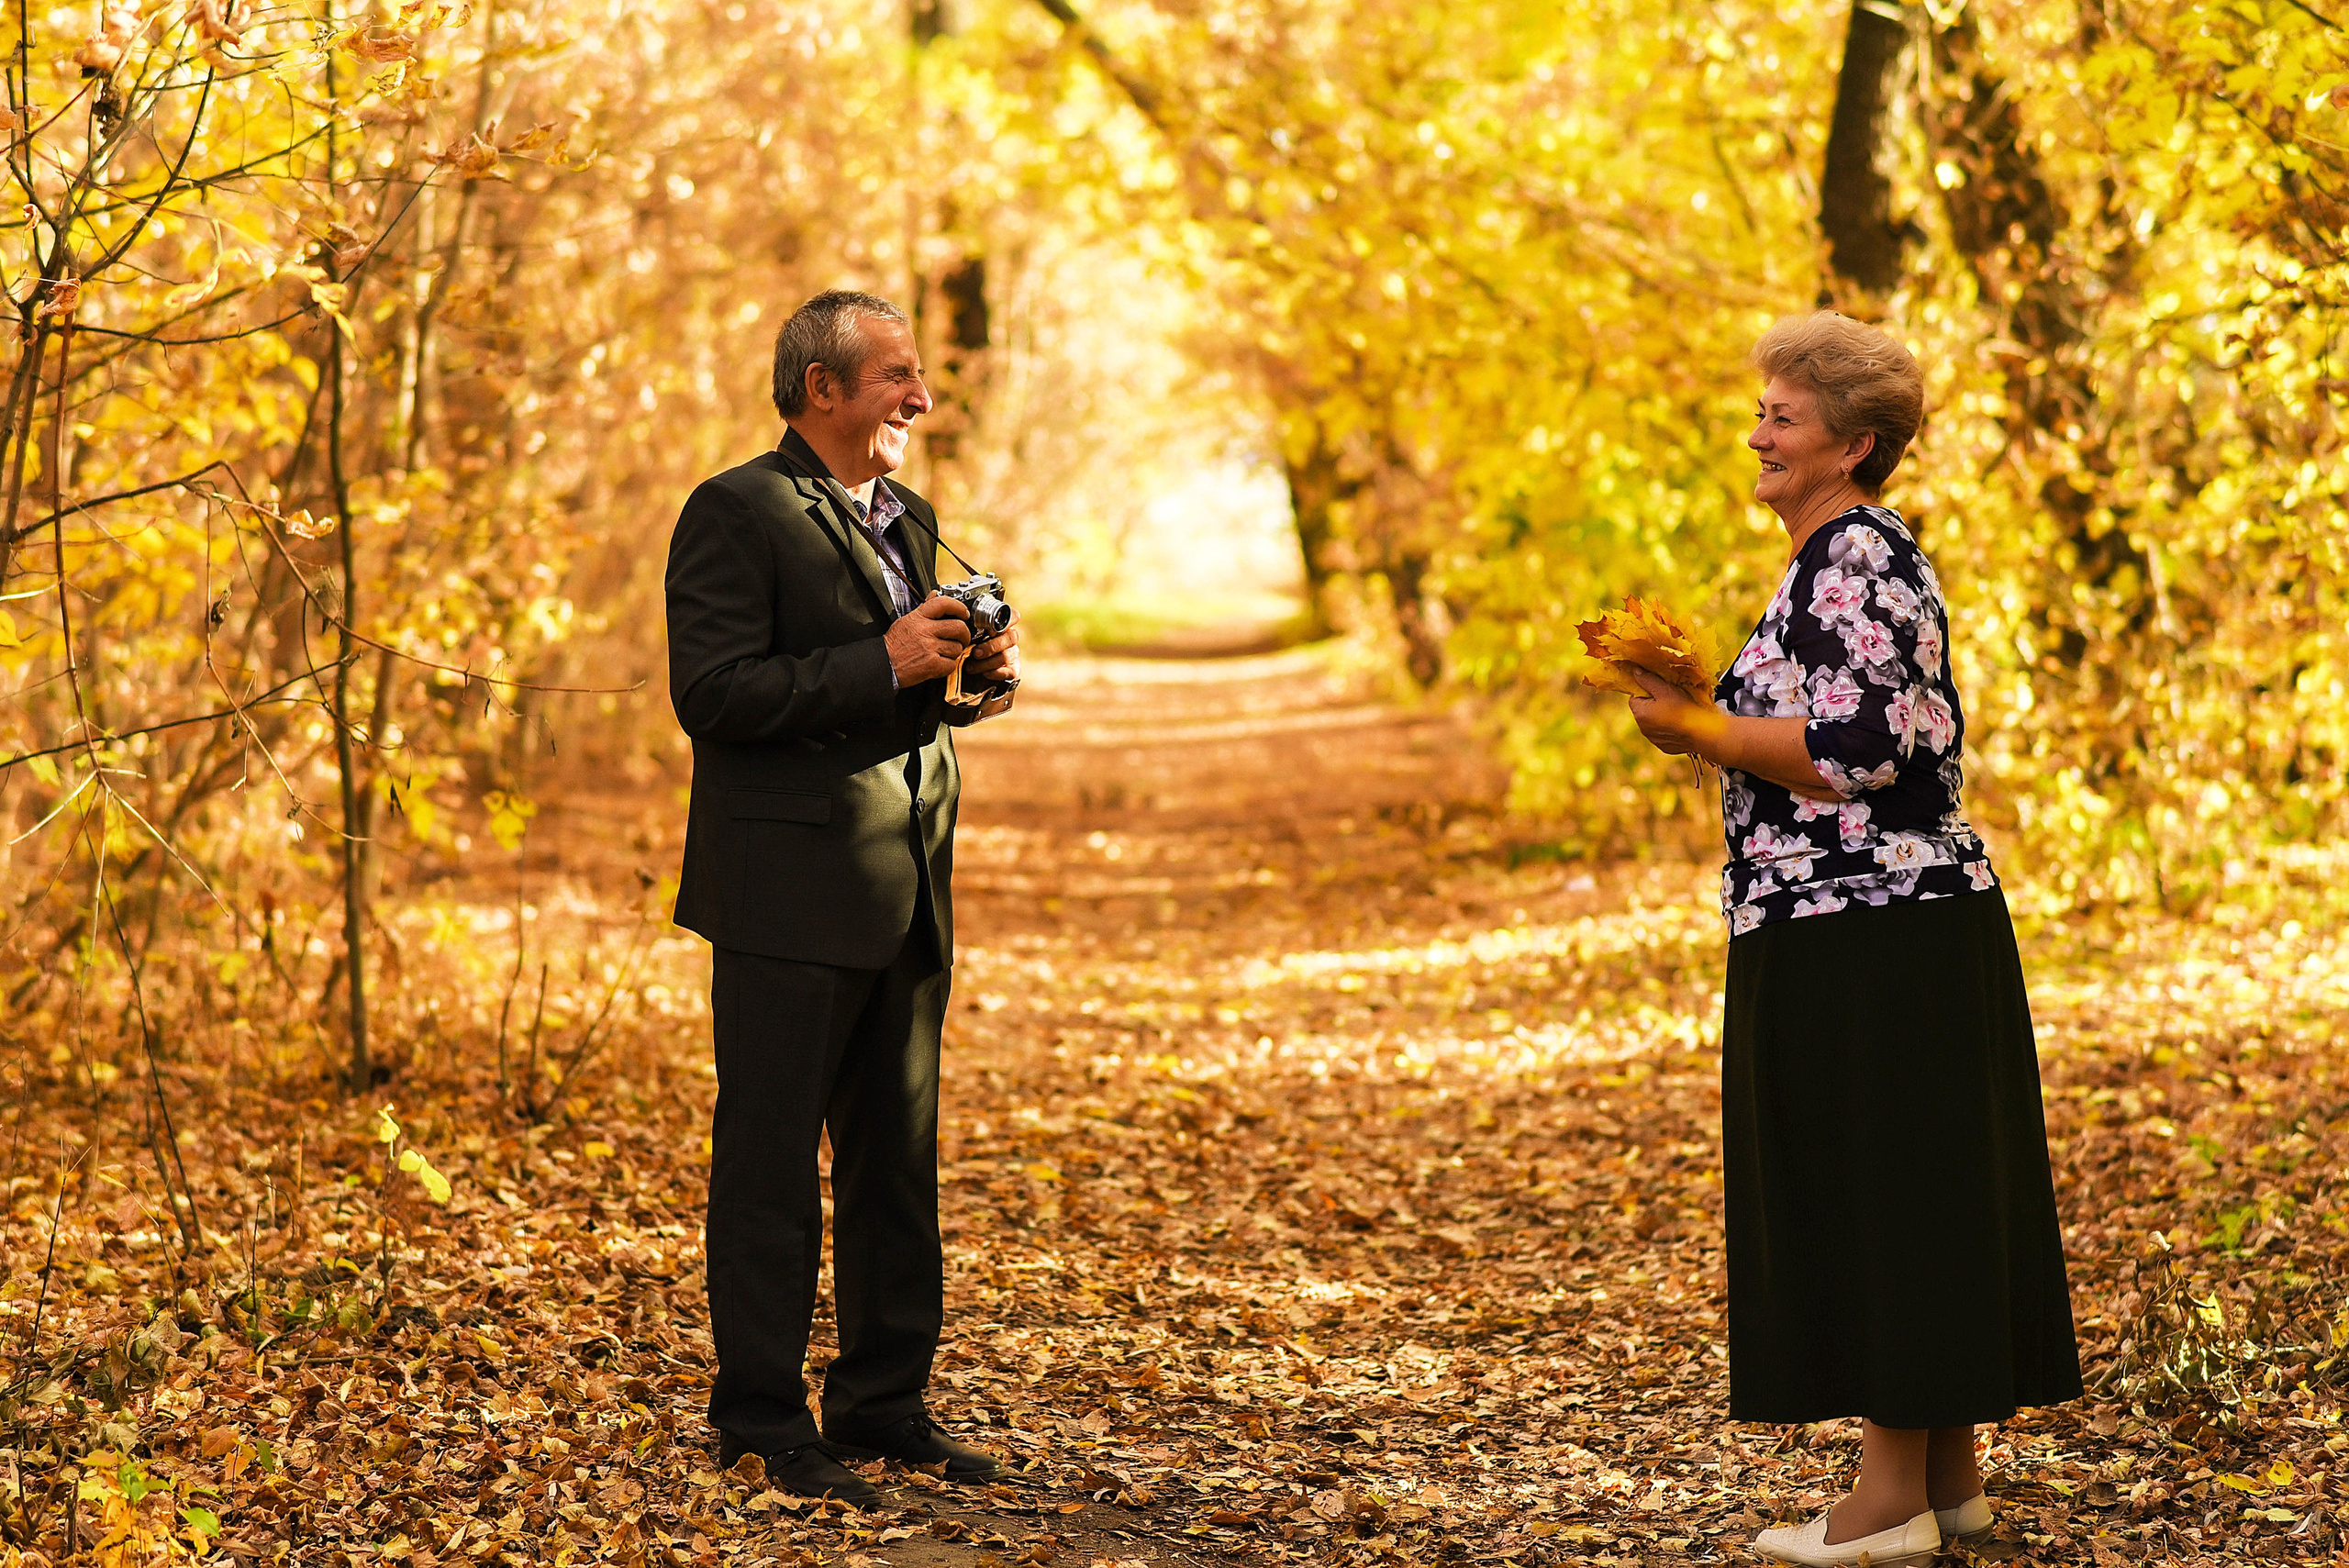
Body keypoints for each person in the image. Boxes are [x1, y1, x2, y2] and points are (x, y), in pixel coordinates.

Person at [1619, 312, 2081, 1568]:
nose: (1757, 433)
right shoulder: (1830, 560)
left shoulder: (1856, 559)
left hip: (1873, 927)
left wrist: (1703, 733)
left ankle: (1888, 1505)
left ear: (1853, 444)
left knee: (1888, 1195)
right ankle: (1948, 1474)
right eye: (1762, 408)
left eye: (1784, 416)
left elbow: (1861, 752)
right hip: (1864, 923)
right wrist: (1704, 698)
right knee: (1917, 1188)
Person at [664, 289, 1020, 1502]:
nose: (921, 398)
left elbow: (903, 687)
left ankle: (881, 1402)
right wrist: (880, 659)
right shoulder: (734, 511)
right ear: (823, 389)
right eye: (897, 378)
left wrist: (969, 674)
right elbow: (714, 695)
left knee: (895, 1161)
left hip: (909, 885)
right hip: (783, 897)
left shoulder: (908, 514)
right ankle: (761, 1419)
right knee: (768, 1168)